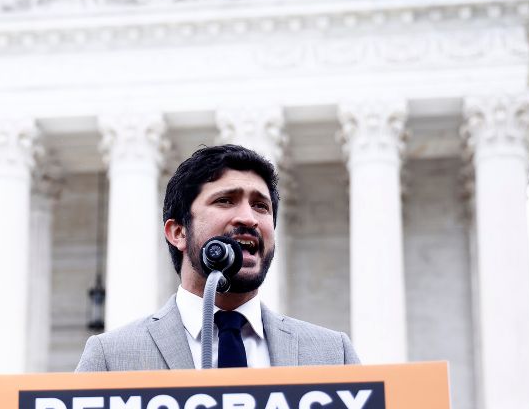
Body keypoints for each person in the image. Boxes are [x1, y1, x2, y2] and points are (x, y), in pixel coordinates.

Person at [76, 144, 359, 371]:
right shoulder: (111, 358)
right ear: (178, 232)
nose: (249, 218)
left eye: (261, 206)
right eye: (225, 200)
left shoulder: (333, 355)